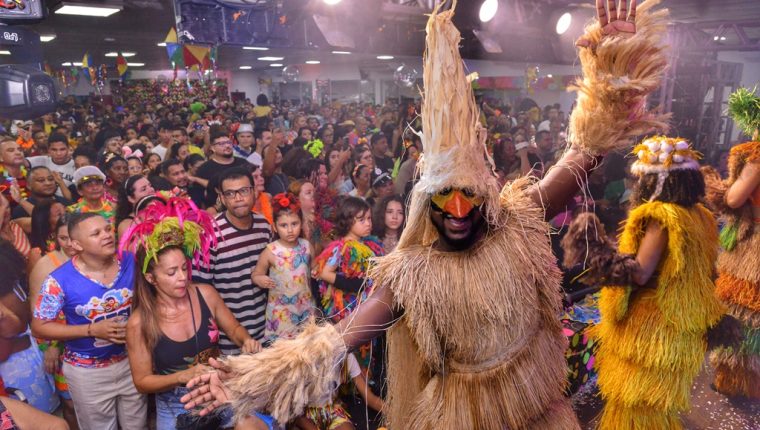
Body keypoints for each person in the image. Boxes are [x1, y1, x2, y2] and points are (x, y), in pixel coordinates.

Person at [180, 2, 674, 428]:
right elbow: (335, 342)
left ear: (487, 195)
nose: (457, 210)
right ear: (424, 202)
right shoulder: (413, 273)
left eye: (468, 196)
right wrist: (247, 377)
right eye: (443, 197)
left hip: (537, 412)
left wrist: (612, 71)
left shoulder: (519, 222)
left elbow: (586, 151)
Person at [562, 137, 727, 429]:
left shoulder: (660, 217)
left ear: (655, 182)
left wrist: (599, 252)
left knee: (635, 403)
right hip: (682, 324)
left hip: (652, 324)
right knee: (656, 404)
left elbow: (640, 273)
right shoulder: (701, 216)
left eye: (641, 179)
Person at [120, 196, 265, 429]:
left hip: (220, 391)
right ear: (151, 278)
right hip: (176, 405)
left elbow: (234, 329)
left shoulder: (205, 294)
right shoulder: (139, 322)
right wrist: (182, 376)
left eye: (184, 268)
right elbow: (142, 382)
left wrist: (246, 340)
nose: (182, 277)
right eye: (171, 273)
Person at [32, 212, 147, 430]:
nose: (107, 235)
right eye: (96, 233)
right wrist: (92, 330)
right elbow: (40, 326)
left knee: (137, 426)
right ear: (76, 244)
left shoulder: (130, 261)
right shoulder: (58, 281)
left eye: (107, 229)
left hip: (132, 361)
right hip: (88, 374)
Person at [704, 86, 760, 399]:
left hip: (753, 244)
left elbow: (735, 198)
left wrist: (718, 186)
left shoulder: (756, 157)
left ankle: (733, 381)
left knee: (742, 311)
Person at [193, 168, 270, 354]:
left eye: (243, 191)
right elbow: (200, 289)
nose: (238, 198)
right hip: (228, 340)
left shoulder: (264, 226)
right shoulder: (210, 234)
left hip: (267, 331)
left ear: (254, 192)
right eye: (230, 193)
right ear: (222, 198)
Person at [28, 213, 79, 429]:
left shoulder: (92, 258)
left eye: (73, 238)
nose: (69, 244)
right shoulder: (46, 264)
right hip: (58, 343)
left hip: (89, 342)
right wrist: (52, 346)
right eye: (63, 238)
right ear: (55, 237)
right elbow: (37, 313)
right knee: (71, 402)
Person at [0, 240, 60, 414]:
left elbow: (19, 325)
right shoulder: (11, 287)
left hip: (27, 362)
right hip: (18, 366)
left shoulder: (9, 289)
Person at [252, 193, 314, 344]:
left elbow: (313, 269)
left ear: (301, 223)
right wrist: (260, 279)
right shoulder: (271, 251)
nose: (290, 230)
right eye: (284, 225)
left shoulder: (307, 246)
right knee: (284, 351)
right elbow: (256, 274)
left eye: (294, 224)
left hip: (305, 308)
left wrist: (316, 271)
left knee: (306, 347)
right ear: (274, 227)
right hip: (281, 313)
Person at [196, 128, 252, 211]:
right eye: (221, 144)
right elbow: (200, 197)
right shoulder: (205, 169)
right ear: (213, 148)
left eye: (228, 142)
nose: (227, 146)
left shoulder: (243, 163)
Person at [27, 133, 77, 197]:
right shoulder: (42, 160)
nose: (58, 153)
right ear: (48, 150)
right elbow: (20, 162)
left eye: (62, 149)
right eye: (54, 150)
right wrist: (26, 143)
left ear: (68, 148)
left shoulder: (77, 164)